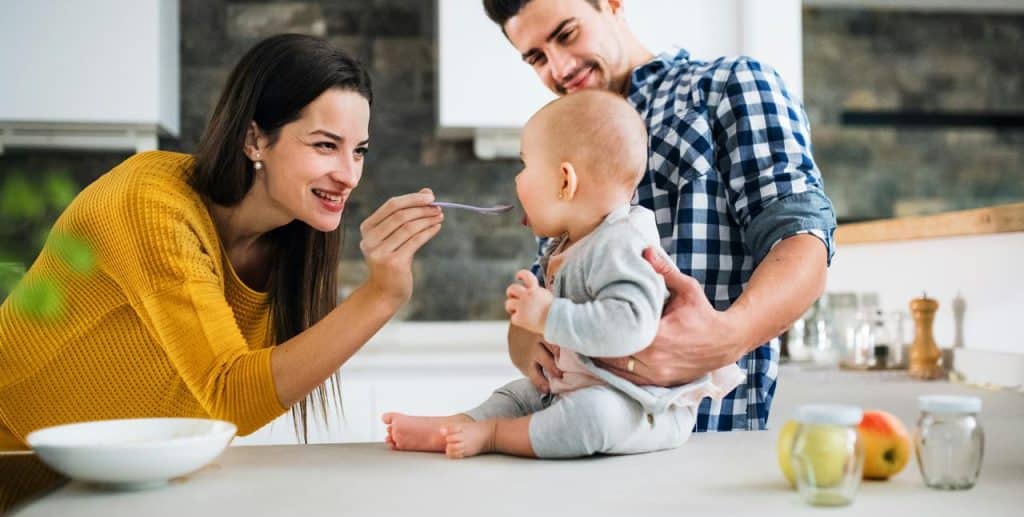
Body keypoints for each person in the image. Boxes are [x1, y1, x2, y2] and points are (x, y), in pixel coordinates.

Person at [0, 34, 444, 450]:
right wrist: (381, 294)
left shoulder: (295, 239)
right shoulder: (149, 201)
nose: (348, 175)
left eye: (359, 150)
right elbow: (227, 396)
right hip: (17, 466)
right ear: (254, 139)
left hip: (119, 476)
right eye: (326, 146)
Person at [483, 0, 837, 432]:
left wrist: (730, 335)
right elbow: (549, 287)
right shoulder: (558, 143)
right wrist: (524, 342)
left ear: (612, 4)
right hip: (583, 445)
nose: (559, 67)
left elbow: (801, 239)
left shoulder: (729, 87)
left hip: (710, 439)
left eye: (566, 34)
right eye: (537, 57)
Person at [383, 91, 742, 458]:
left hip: (641, 407)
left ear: (565, 182)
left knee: (593, 417)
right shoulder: (576, 241)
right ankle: (457, 425)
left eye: (524, 166)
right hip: (581, 383)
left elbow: (631, 326)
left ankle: (491, 435)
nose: (518, 180)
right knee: (519, 394)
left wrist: (547, 315)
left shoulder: (620, 242)